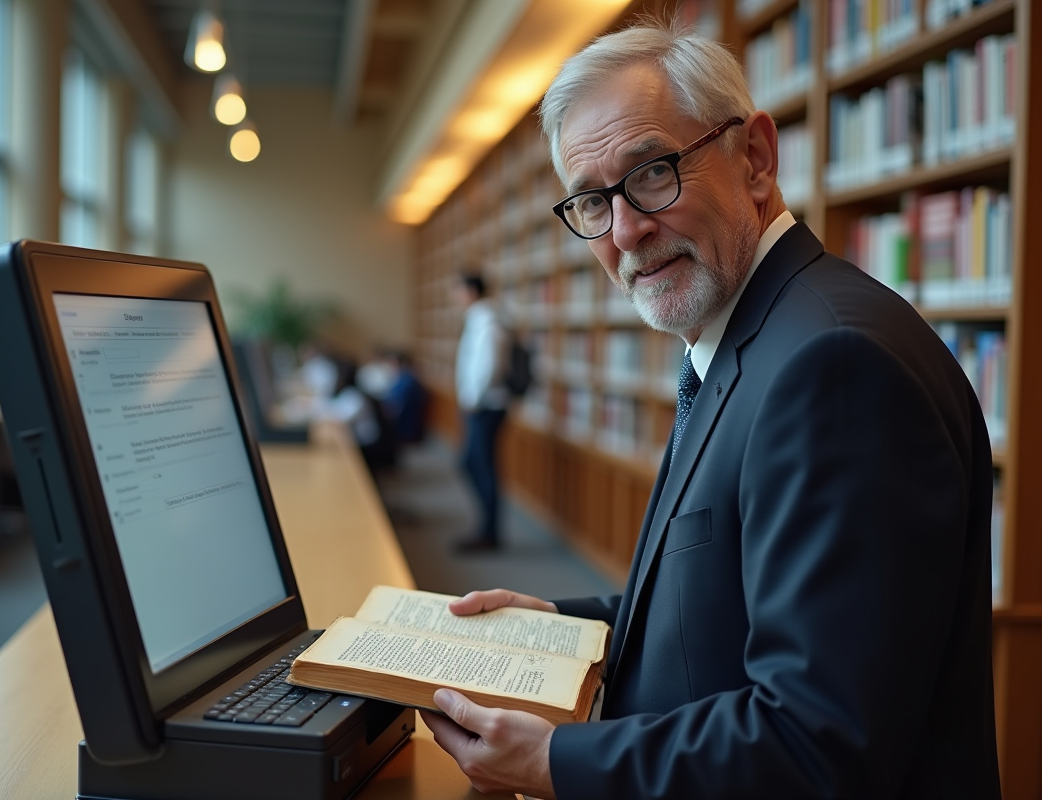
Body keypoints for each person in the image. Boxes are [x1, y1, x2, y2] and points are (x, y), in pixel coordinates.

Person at [420, 20, 1000, 799]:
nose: (627, 231)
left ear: (754, 157)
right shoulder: (747, 338)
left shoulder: (833, 366)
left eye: (652, 173)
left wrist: (551, 762)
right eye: (592, 202)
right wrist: (560, 625)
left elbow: (818, 745)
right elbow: (730, 599)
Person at [452, 272, 508, 553]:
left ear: (471, 291)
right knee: (474, 464)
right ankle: (486, 529)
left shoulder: (487, 320)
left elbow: (488, 365)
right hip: (480, 405)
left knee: (479, 466)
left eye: (457, 290)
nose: (454, 296)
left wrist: (472, 400)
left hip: (485, 406)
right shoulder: (479, 317)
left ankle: (489, 532)